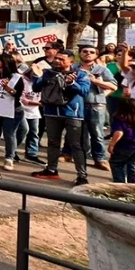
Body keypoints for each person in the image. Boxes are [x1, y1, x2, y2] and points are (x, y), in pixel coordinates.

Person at [29, 51, 91, 185]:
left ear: (71, 62)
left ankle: (82, 175)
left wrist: (72, 83)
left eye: (61, 59)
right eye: (56, 58)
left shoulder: (80, 74)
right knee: (53, 142)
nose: (57, 61)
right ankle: (51, 170)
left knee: (76, 145)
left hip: (72, 113)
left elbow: (84, 91)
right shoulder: (48, 73)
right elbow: (36, 88)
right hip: (51, 112)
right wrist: (38, 76)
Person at [74, 45, 118, 171]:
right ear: (80, 53)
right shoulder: (73, 68)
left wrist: (97, 82)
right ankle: (74, 156)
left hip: (96, 105)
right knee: (77, 133)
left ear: (96, 55)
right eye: (85, 51)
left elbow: (113, 86)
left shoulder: (102, 69)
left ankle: (100, 159)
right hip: (76, 104)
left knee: (97, 133)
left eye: (91, 52)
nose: (88, 54)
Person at [108, 97, 135, 183]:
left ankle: (120, 185)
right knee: (134, 167)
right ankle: (134, 186)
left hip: (125, 146)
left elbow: (119, 132)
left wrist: (111, 145)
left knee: (117, 164)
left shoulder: (120, 118)